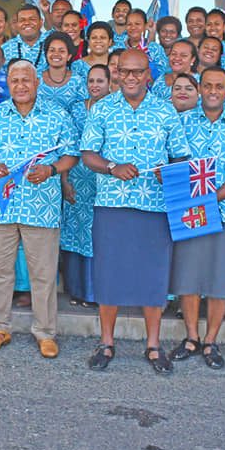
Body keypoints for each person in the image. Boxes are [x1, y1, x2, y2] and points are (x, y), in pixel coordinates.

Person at [80, 49, 190, 372]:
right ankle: (106, 343)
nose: (130, 77)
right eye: (124, 71)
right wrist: (112, 167)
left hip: (154, 206)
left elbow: (181, 156)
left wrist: (169, 172)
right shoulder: (102, 108)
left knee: (153, 276)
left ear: (147, 75)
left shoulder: (165, 110)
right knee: (109, 274)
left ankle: (153, 345)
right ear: (116, 74)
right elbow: (88, 154)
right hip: (112, 205)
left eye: (137, 72)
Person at [0, 60, 79, 358]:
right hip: (2, 206)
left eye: (26, 80)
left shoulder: (56, 115)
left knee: (43, 274)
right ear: (8, 84)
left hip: (41, 207)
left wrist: (51, 169)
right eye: (15, 80)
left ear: (37, 83)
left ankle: (45, 333)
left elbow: (72, 154)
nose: (20, 85)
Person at [169, 66, 225, 369]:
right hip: (189, 212)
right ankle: (191, 337)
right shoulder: (181, 123)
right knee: (189, 275)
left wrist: (211, 198)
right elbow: (173, 162)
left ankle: (211, 340)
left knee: (220, 279)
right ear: (199, 89)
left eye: (219, 86)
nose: (213, 91)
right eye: (207, 86)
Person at [61, 65, 111, 307]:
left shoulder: (115, 109)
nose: (95, 85)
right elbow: (67, 146)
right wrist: (64, 180)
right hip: (77, 181)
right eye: (91, 81)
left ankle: (96, 293)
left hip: (104, 182)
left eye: (100, 81)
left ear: (110, 84)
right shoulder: (76, 109)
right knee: (74, 234)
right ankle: (77, 291)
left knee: (98, 236)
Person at [38, 32, 87, 110]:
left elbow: (82, 111)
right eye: (52, 50)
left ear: (69, 56)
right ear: (46, 54)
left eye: (61, 51)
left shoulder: (77, 81)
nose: (56, 54)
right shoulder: (36, 79)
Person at [3, 4, 48, 69]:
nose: (27, 23)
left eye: (32, 19)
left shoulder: (52, 43)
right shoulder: (5, 49)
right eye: (22, 20)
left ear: (41, 22)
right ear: (17, 24)